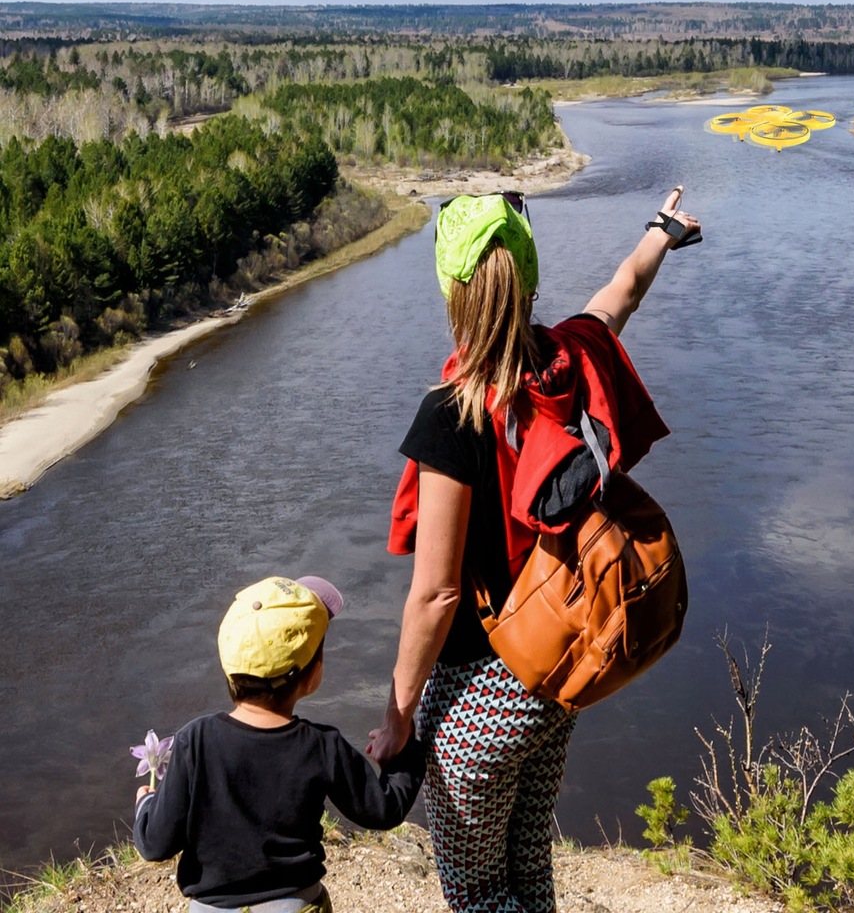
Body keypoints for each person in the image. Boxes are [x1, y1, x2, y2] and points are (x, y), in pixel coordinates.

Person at [367, 186, 701, 912]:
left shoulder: (450, 416)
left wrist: (398, 716)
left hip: (479, 699)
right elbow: (622, 294)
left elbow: (437, 594)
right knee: (527, 872)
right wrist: (661, 233)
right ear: (528, 276)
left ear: (455, 293)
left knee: (476, 894)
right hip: (561, 666)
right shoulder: (570, 359)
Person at [133, 575, 425, 913]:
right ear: (312, 673)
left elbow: (155, 844)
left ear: (229, 667)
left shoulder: (194, 741)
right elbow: (382, 810)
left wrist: (146, 805)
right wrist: (406, 755)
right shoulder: (321, 745)